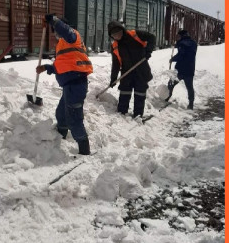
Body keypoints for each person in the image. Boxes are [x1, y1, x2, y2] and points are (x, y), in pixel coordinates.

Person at [36, 14, 93, 155]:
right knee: (61, 114)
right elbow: (61, 66)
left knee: (74, 118)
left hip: (76, 83)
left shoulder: (72, 36)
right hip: (69, 86)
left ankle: (84, 149)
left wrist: (53, 20)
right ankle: (60, 137)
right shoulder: (62, 45)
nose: (55, 33)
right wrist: (46, 68)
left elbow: (66, 31)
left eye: (56, 29)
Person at [107, 20, 156, 118]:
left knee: (140, 93)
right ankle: (121, 113)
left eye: (118, 33)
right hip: (126, 72)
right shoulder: (115, 46)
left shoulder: (134, 34)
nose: (117, 36)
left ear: (122, 30)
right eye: (114, 35)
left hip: (141, 69)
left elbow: (152, 37)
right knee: (124, 91)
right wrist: (113, 78)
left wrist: (148, 51)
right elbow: (115, 64)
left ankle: (138, 114)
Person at [168, 29, 197, 109]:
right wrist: (177, 44)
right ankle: (191, 103)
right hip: (190, 69)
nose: (178, 38)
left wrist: (172, 59)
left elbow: (181, 55)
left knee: (171, 83)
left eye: (179, 36)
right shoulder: (194, 43)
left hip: (180, 70)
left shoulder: (182, 44)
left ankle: (167, 96)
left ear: (182, 36)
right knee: (189, 87)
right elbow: (187, 52)